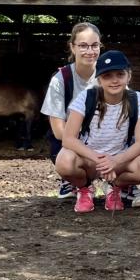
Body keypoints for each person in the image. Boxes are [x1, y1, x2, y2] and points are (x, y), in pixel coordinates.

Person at [55, 50, 140, 213]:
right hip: (90, 159)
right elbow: (68, 138)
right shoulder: (86, 97)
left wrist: (115, 161)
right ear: (99, 79)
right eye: (107, 76)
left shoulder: (136, 98)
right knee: (64, 161)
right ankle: (84, 188)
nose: (114, 80)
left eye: (120, 74)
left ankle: (114, 186)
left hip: (119, 160)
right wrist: (101, 160)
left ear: (128, 76)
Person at [41, 22, 100, 200]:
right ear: (72, 47)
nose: (90, 51)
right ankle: (78, 181)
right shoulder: (61, 79)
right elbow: (59, 131)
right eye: (83, 46)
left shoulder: (109, 75)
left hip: (107, 138)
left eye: (94, 45)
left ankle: (119, 184)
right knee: (65, 161)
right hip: (72, 140)